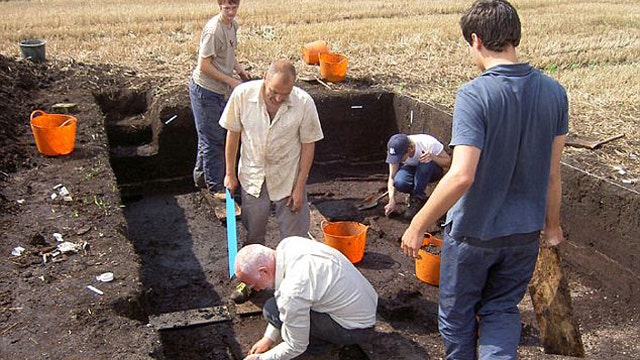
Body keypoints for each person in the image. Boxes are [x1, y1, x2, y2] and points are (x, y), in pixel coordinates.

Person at [400, 1, 568, 359]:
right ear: (514, 36)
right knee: (502, 310)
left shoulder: (474, 95)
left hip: (473, 234)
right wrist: (552, 227)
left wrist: (418, 223)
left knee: (458, 317)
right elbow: (553, 173)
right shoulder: (555, 93)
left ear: (475, 40)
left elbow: (461, 175)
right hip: (524, 233)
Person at [221, 59, 323, 303]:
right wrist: (230, 173)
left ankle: (295, 291)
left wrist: (300, 188)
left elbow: (308, 147)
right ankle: (250, 283)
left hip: (287, 180)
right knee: (253, 237)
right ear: (265, 79)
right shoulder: (242, 95)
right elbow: (232, 136)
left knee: (295, 241)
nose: (278, 99)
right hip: (253, 177)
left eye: (284, 94)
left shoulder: (303, 103)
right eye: (274, 92)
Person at [234, 236, 378, 360]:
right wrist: (268, 338)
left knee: (272, 311)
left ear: (263, 271)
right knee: (275, 307)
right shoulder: (289, 245)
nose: (255, 289)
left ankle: (320, 346)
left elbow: (296, 346)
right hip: (366, 306)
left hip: (356, 330)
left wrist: (262, 358)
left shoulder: (292, 291)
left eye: (252, 284)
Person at [190, 0, 250, 195]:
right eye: (227, 8)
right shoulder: (213, 30)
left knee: (207, 135)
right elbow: (204, 66)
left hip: (219, 90)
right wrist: (231, 82)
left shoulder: (232, 25)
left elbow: (228, 54)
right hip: (206, 91)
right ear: (220, 6)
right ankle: (216, 188)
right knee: (213, 140)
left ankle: (201, 177)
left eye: (234, 8)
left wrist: (240, 71)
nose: (231, 12)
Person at [384, 133, 451, 219]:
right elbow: (392, 177)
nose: (398, 160)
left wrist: (433, 157)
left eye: (401, 157)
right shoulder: (397, 150)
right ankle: (415, 196)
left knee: (425, 163)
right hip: (412, 168)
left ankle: (417, 197)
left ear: (410, 149)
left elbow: (448, 162)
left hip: (432, 170)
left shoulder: (429, 144)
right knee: (400, 182)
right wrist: (392, 200)